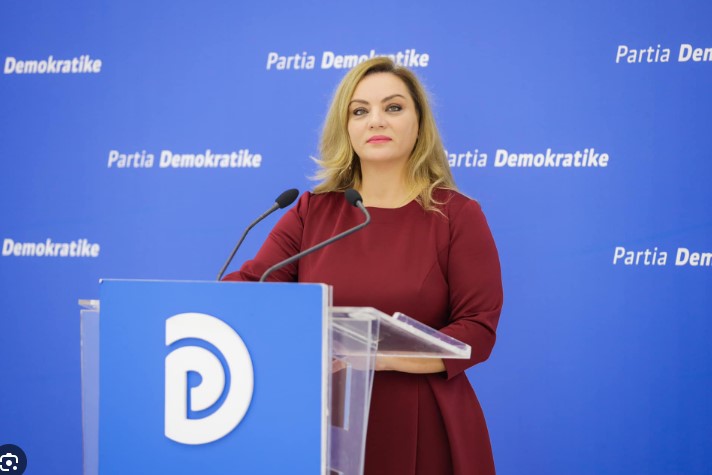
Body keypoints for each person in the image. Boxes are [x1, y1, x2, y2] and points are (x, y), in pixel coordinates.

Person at [224, 56, 503, 475]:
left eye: (393, 107)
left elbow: (477, 330)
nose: (376, 120)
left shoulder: (457, 215)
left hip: (421, 422)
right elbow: (254, 284)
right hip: (322, 419)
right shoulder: (311, 211)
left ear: (419, 124)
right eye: (360, 111)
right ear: (346, 127)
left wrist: (377, 356)